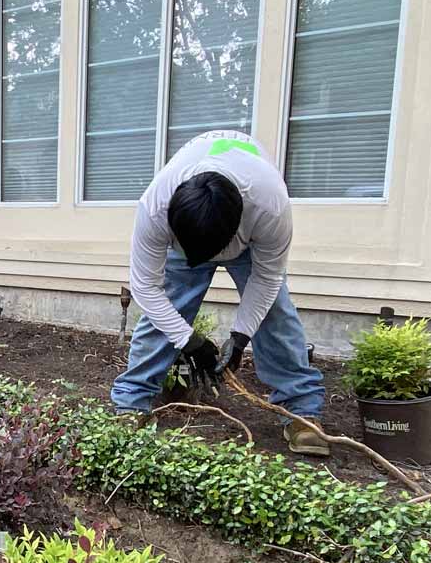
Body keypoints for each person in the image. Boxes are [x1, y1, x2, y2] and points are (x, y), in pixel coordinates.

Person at [110, 129, 329, 456]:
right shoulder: (155, 206)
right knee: (166, 311)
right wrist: (188, 340)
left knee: (275, 315)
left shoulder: (270, 205)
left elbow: (267, 279)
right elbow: (145, 287)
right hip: (190, 229)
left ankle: (302, 410)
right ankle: (131, 402)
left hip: (250, 240)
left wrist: (240, 338)